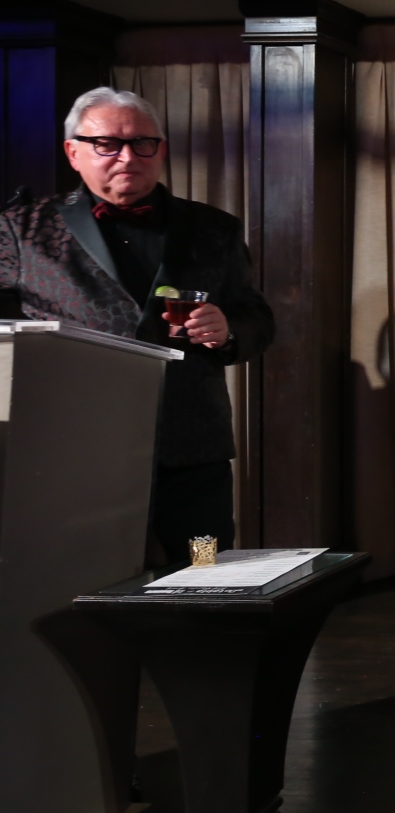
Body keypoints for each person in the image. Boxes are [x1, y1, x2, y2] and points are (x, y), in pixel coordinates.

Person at [0, 88, 274, 566]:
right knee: (81, 578)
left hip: (192, 452)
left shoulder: (215, 228)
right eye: (106, 144)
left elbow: (258, 318)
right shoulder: (20, 229)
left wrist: (228, 329)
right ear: (73, 152)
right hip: (73, 452)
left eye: (142, 143)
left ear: (160, 150)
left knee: (205, 568)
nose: (127, 157)